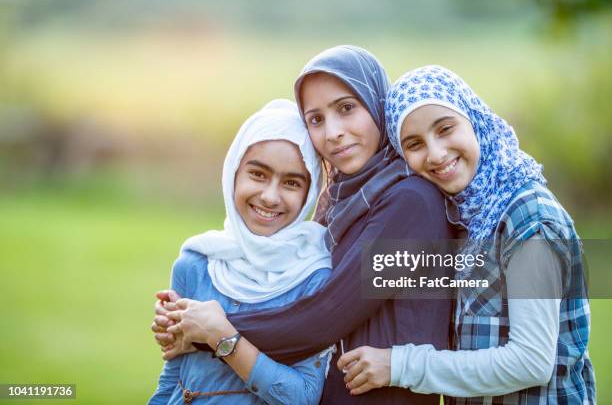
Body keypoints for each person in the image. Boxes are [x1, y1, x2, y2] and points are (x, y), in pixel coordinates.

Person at [153, 46, 456, 404]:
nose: (333, 133)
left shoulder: (410, 201)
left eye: (346, 108)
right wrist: (193, 322)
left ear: (377, 103)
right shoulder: (343, 201)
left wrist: (209, 330)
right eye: (316, 119)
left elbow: (326, 316)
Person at [339, 64, 596, 403]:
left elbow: (531, 362)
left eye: (445, 129)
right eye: (414, 144)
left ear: (474, 119)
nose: (436, 153)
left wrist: (399, 365)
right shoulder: (466, 215)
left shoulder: (527, 217)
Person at [148, 99, 335, 404]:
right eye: (258, 174)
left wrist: (221, 337)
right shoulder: (196, 262)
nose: (270, 196)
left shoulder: (314, 276)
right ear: (233, 172)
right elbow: (174, 377)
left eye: (291, 183)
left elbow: (303, 396)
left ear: (309, 193)